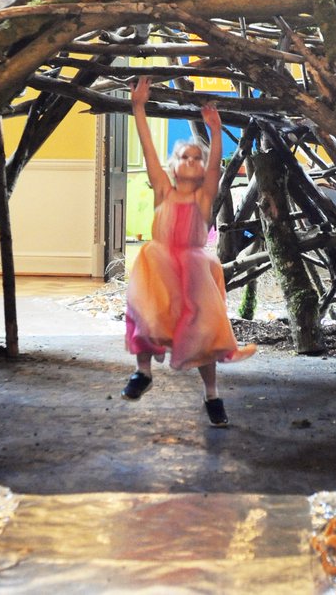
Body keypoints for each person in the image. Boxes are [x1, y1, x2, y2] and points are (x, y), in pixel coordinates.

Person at [121, 76, 256, 427]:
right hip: (160, 264)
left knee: (203, 331)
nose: (193, 161)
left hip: (195, 269)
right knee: (149, 317)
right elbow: (149, 147)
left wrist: (214, 130)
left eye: (198, 158)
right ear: (171, 165)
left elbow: (215, 167)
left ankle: (212, 395)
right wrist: (138, 107)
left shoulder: (203, 197)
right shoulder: (163, 191)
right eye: (185, 156)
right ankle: (143, 372)